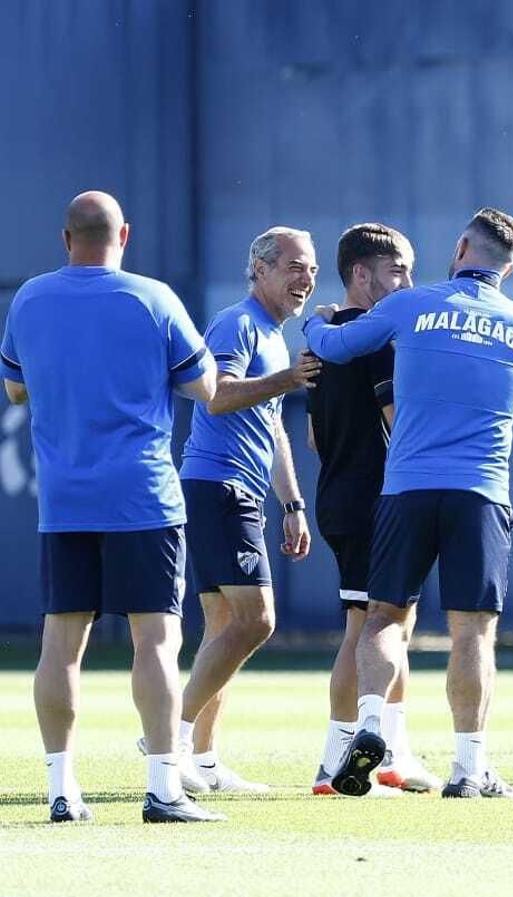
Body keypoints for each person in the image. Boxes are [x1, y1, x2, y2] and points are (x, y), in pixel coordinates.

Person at [306, 208, 513, 799]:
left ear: (460, 246)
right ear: (509, 267)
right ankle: (470, 769)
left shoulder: (412, 305)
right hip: (482, 492)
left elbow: (336, 347)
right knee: (473, 633)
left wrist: (313, 324)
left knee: (384, 618)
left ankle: (368, 729)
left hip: (407, 486)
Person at [2, 191, 222, 822]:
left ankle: (61, 791)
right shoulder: (153, 298)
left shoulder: (31, 299)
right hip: (143, 496)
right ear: (124, 233)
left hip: (66, 499)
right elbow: (204, 388)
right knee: (155, 639)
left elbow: (15, 388)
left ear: (65, 237)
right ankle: (162, 787)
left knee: (61, 642)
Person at [163, 227, 322, 794]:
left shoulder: (275, 335)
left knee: (225, 625)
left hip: (243, 490)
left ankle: (201, 758)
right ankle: (170, 735)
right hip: (217, 486)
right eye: (293, 266)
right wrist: (286, 378)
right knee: (258, 620)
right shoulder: (238, 323)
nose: (305, 278)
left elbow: (272, 423)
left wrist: (294, 503)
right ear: (259, 269)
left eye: (311, 269)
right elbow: (219, 394)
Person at [305, 223, 442, 795]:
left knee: (391, 625)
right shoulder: (374, 337)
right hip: (374, 498)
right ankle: (335, 761)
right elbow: (396, 421)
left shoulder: (323, 335)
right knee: (370, 627)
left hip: (340, 490)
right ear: (361, 274)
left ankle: (393, 753)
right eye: (397, 271)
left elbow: (315, 438)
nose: (408, 282)